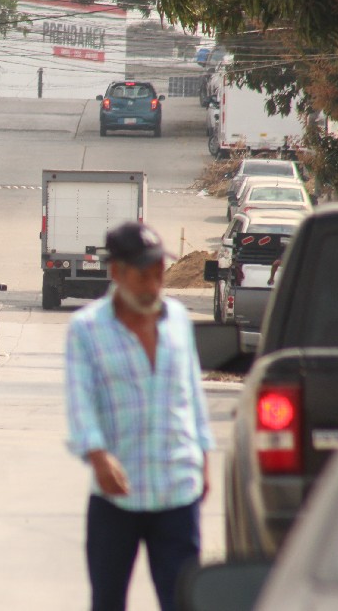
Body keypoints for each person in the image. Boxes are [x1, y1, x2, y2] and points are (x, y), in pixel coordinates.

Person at [64, 222, 215, 611]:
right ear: (116, 272)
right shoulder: (86, 329)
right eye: (143, 276)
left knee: (182, 601)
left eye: (159, 275)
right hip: (117, 497)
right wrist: (98, 456)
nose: (153, 286)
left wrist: (203, 456)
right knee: (108, 601)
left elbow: (192, 393)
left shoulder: (177, 319)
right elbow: (80, 403)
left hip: (176, 491)